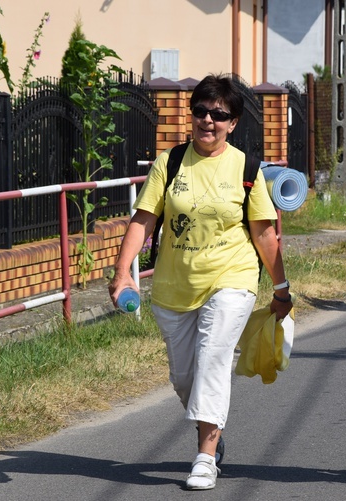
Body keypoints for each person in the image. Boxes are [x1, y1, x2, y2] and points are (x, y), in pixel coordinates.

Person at [108, 74, 293, 491]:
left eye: (219, 114)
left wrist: (281, 289)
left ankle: (205, 458)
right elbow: (144, 220)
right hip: (175, 287)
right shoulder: (169, 162)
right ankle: (213, 432)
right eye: (201, 111)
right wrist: (122, 273)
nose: (208, 120)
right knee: (184, 378)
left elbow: (265, 234)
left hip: (232, 277)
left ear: (233, 122)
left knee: (212, 359)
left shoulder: (247, 167)